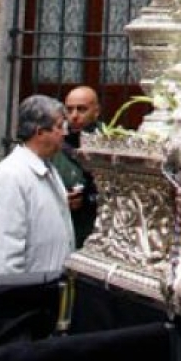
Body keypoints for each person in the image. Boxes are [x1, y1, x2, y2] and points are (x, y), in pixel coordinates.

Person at [0, 94, 75, 276]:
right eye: (59, 127)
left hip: (45, 293)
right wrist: (15, 300)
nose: (65, 133)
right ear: (40, 132)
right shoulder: (10, 176)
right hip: (24, 298)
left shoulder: (49, 169)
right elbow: (1, 256)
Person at [52, 86, 101, 248]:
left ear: (96, 111)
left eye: (81, 109)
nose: (74, 116)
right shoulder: (54, 144)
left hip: (99, 229)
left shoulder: (109, 141)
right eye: (69, 109)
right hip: (65, 231)